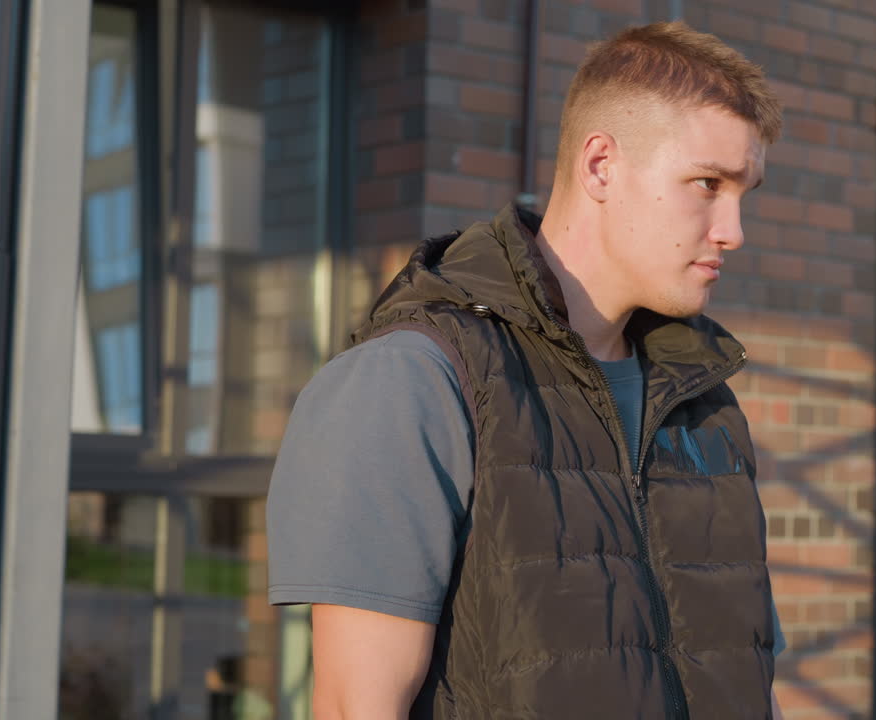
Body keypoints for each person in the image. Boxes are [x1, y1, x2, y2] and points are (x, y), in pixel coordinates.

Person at [267, 21, 786, 720]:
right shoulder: (413, 382)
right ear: (600, 166)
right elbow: (351, 707)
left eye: (743, 193)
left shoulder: (703, 405)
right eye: (707, 184)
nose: (733, 229)